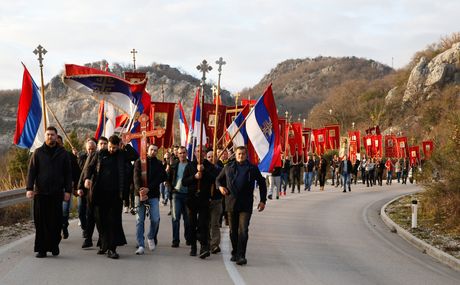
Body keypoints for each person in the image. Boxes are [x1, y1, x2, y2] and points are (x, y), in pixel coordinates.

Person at [82, 135, 138, 259]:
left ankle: (112, 249)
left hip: (116, 195)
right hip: (99, 194)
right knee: (100, 221)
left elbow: (135, 156)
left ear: (118, 146)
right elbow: (89, 167)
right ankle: (104, 244)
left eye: (115, 147)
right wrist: (86, 179)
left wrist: (126, 145)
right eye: (111, 147)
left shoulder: (122, 154)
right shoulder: (100, 154)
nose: (112, 150)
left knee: (113, 222)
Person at [216, 146, 267, 266]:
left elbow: (262, 183)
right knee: (233, 231)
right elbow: (218, 179)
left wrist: (263, 200)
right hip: (231, 203)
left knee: (243, 230)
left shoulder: (252, 168)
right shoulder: (228, 167)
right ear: (235, 154)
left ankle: (241, 255)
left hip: (246, 203)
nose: (241, 156)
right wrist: (220, 187)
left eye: (243, 154)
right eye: (239, 154)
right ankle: (235, 252)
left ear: (246, 155)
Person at [26, 126, 72, 258]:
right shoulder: (38, 152)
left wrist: (68, 190)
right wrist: (29, 188)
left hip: (57, 193)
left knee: (56, 221)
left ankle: (54, 245)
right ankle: (42, 249)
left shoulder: (63, 153)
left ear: (57, 137)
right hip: (41, 193)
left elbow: (68, 174)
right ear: (45, 136)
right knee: (41, 222)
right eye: (48, 134)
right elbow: (32, 171)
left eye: (52, 135)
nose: (50, 137)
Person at [182, 147, 217, 258]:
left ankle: (204, 246)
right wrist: (194, 177)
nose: (200, 153)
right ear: (195, 153)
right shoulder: (190, 165)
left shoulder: (210, 166)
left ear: (205, 153)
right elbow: (184, 182)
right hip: (192, 199)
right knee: (191, 223)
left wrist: (204, 171)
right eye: (198, 151)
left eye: (202, 151)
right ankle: (193, 246)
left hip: (204, 199)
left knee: (203, 224)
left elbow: (214, 179)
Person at [133, 144, 167, 255]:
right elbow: (136, 177)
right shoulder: (139, 161)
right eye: (151, 149)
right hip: (140, 194)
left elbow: (161, 177)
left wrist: (149, 188)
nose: (153, 151)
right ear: (147, 150)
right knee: (139, 220)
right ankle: (141, 245)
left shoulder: (158, 164)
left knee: (155, 218)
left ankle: (151, 236)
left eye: (155, 150)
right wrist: (140, 190)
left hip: (153, 194)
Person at [77, 136, 107, 249]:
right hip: (92, 191)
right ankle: (88, 239)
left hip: (104, 192)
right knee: (90, 216)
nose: (103, 146)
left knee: (101, 217)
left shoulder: (109, 156)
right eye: (101, 144)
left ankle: (101, 239)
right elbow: (85, 171)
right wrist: (80, 186)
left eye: (105, 143)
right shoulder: (92, 156)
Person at [56, 135, 80, 240]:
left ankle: (64, 226)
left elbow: (76, 172)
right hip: (53, 189)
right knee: (55, 211)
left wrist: (75, 187)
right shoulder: (49, 156)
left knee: (65, 210)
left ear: (62, 143)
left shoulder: (69, 155)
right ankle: (57, 229)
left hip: (66, 188)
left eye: (58, 142)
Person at [168, 146, 191, 248]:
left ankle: (188, 238)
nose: (182, 155)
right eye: (180, 153)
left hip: (188, 195)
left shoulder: (191, 165)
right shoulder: (173, 165)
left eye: (184, 153)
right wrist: (170, 189)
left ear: (186, 154)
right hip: (176, 194)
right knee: (175, 218)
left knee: (187, 219)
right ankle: (175, 240)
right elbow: (168, 179)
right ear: (177, 154)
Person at [76, 138, 97, 240]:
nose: (90, 151)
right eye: (89, 149)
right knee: (80, 210)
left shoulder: (98, 158)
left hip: (93, 189)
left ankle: (88, 231)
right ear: (86, 149)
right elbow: (80, 172)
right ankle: (85, 227)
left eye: (92, 149)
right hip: (82, 188)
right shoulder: (82, 157)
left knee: (90, 211)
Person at [206, 151, 223, 254]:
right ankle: (206, 243)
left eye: (213, 156)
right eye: (209, 157)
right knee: (205, 223)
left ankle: (214, 244)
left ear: (216, 158)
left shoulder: (221, 170)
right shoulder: (203, 169)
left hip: (217, 200)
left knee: (215, 223)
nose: (211, 158)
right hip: (205, 201)